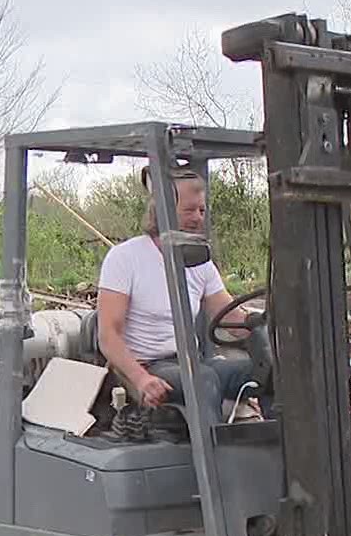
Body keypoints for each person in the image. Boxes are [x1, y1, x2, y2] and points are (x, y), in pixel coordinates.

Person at [96, 168, 257, 418]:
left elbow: (231, 317)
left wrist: (268, 328)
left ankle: (289, 452)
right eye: (189, 210)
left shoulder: (200, 261)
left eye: (202, 210)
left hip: (193, 362)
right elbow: (108, 336)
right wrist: (141, 379)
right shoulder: (125, 258)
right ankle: (215, 457)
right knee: (203, 381)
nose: (198, 218)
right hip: (149, 367)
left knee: (273, 372)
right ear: (162, 211)